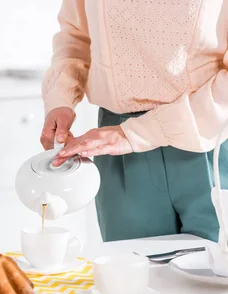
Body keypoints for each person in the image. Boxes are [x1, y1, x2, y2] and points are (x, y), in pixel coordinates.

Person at [41, 0, 228, 242]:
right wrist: (61, 97)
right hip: (119, 150)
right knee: (131, 273)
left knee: (216, 274)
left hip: (210, 139)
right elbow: (77, 35)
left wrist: (133, 133)